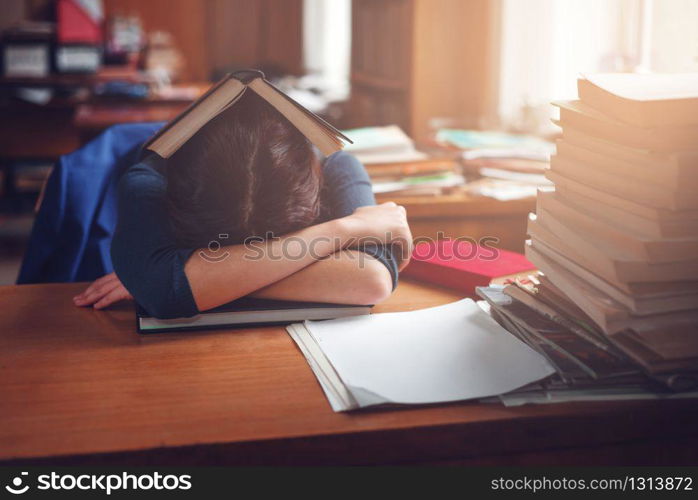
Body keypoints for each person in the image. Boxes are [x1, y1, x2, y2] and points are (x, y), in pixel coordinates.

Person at [73, 91, 412, 318]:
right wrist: (344, 230)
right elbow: (161, 290)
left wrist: (182, 281)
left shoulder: (335, 167)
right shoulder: (150, 182)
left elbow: (372, 279)